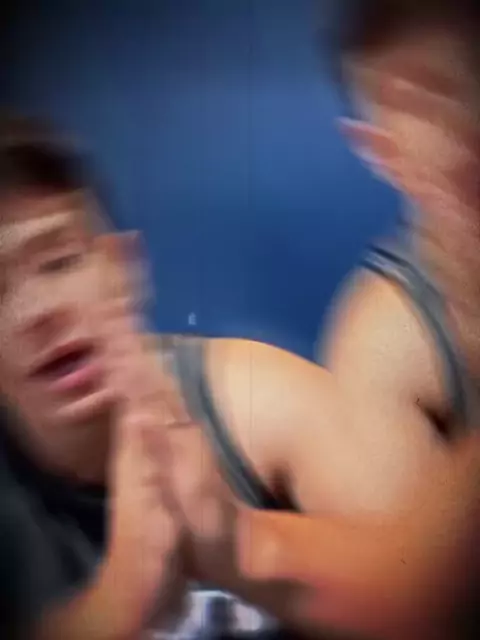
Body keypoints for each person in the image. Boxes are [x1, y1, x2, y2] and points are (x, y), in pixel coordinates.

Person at [2, 0, 480, 635]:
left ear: (123, 266)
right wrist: (147, 582)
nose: (36, 311)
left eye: (59, 261)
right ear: (383, 153)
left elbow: (428, 602)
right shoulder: (389, 339)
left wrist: (239, 546)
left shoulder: (257, 400)